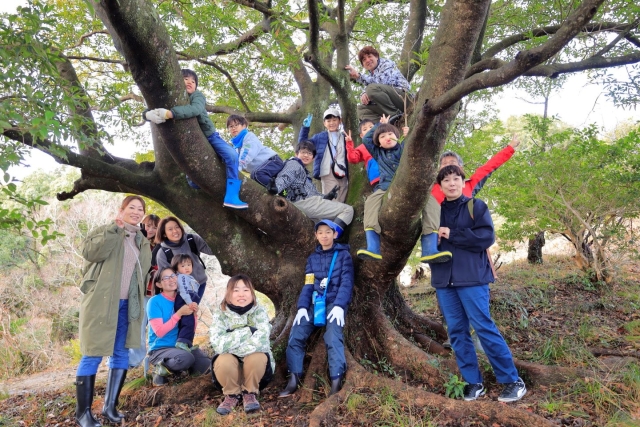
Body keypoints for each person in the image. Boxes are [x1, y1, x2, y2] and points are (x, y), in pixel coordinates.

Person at [432, 164, 526, 403]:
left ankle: (512, 380)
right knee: (456, 332)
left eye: (456, 179)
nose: (452, 183)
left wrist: (452, 233)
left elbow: (486, 237)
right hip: (444, 281)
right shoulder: (434, 211)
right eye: (446, 180)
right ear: (440, 185)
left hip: (472, 278)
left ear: (463, 182)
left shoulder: (476, 206)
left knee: (483, 327)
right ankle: (473, 382)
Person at [74, 195, 151, 427]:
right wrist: (113, 230)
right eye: (132, 208)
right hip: (102, 304)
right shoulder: (106, 230)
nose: (136, 212)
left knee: (121, 354)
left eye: (140, 209)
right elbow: (90, 253)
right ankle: (83, 414)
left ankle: (110, 407)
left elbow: (142, 273)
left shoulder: (142, 240)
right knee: (93, 353)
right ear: (122, 210)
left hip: (129, 306)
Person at [143, 69, 248, 209]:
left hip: (210, 136)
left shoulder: (197, 96)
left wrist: (170, 113)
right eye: (186, 79)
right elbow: (151, 107)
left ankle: (232, 196)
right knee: (192, 181)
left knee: (232, 155)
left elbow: (196, 109)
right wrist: (147, 115)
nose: (190, 83)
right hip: (184, 145)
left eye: (193, 81)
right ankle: (193, 181)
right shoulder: (167, 97)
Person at [279, 219, 354, 398]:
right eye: (320, 232)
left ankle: (336, 380)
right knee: (296, 334)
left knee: (333, 336)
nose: (324, 235)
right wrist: (303, 307)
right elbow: (308, 284)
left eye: (328, 232)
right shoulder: (312, 259)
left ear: (335, 234)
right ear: (316, 235)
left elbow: (347, 282)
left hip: (334, 304)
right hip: (315, 304)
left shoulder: (344, 255)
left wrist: (339, 306)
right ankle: (294, 379)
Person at [357, 122, 449, 263]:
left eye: (390, 134)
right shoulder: (378, 153)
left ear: (397, 137)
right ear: (379, 143)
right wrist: (379, 125)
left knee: (432, 204)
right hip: (385, 188)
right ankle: (373, 246)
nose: (387, 137)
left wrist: (410, 135)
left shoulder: (403, 149)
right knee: (370, 202)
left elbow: (414, 145)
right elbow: (366, 140)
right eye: (382, 136)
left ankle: (430, 248)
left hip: (411, 187)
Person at [209, 275, 275, 415]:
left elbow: (262, 342)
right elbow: (219, 345)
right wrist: (249, 331)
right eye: (236, 290)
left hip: (255, 371)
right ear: (228, 293)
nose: (241, 294)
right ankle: (231, 395)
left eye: (246, 290)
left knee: (257, 356)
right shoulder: (220, 314)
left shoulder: (260, 311)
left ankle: (249, 394)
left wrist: (232, 340)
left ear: (252, 293)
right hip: (228, 370)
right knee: (224, 359)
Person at [267, 141, 354, 237]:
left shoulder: (304, 172)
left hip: (305, 205)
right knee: (347, 210)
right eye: (303, 152)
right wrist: (276, 187)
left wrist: (327, 196)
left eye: (309, 153)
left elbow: (312, 193)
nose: (306, 155)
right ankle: (333, 237)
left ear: (313, 158)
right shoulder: (294, 164)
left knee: (324, 226)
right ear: (296, 154)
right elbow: (286, 177)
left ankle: (326, 243)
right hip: (305, 203)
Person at [147, 268, 211, 386]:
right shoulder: (154, 301)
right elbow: (159, 332)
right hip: (160, 349)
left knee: (208, 367)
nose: (171, 279)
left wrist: (194, 315)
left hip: (182, 347)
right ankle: (159, 369)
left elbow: (190, 328)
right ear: (159, 284)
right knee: (187, 358)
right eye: (166, 278)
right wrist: (179, 314)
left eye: (173, 276)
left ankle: (180, 370)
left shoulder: (183, 298)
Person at [155, 216, 213, 305]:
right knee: (182, 314)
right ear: (164, 234)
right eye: (170, 229)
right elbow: (164, 277)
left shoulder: (192, 239)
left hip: (199, 284)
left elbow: (211, 250)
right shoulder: (163, 253)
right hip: (179, 291)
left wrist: (212, 236)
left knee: (191, 311)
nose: (175, 231)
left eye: (177, 227)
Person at [345, 46, 411, 123]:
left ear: (376, 57)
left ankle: (396, 115)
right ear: (363, 65)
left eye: (369, 56)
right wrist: (363, 94)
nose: (368, 60)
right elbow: (370, 86)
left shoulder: (386, 64)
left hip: (403, 98)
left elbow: (382, 81)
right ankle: (387, 122)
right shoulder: (370, 76)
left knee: (371, 89)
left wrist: (359, 76)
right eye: (364, 59)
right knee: (359, 110)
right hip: (389, 107)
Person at [128, 213, 161, 369]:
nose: (151, 230)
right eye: (148, 226)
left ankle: (156, 358)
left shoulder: (160, 245)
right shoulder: (135, 240)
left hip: (154, 292)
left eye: (155, 227)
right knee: (137, 325)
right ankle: (133, 360)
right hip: (137, 290)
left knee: (154, 326)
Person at [298, 108, 349, 203]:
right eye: (328, 121)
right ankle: (329, 218)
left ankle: (339, 217)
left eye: (334, 120)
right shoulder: (319, 137)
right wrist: (305, 128)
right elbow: (303, 145)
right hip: (327, 171)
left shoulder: (344, 136)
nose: (331, 123)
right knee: (332, 201)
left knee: (342, 200)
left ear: (340, 121)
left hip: (342, 172)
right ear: (324, 123)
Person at [227, 114, 285, 187]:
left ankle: (278, 189)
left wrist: (238, 166)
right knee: (256, 177)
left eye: (236, 125)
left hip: (272, 161)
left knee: (257, 174)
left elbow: (246, 153)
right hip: (262, 169)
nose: (233, 128)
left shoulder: (249, 137)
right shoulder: (236, 147)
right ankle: (277, 190)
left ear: (244, 126)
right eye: (231, 126)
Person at [171, 253, 201, 352]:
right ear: (176, 268)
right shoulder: (182, 277)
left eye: (189, 264)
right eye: (183, 266)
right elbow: (184, 291)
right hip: (184, 300)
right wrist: (189, 302)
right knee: (187, 322)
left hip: (190, 300)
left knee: (191, 322)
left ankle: (188, 343)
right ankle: (181, 342)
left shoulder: (190, 277)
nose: (187, 267)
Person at [344, 119, 380, 187]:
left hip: (390, 172)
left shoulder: (383, 140)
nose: (369, 130)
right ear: (361, 136)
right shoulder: (362, 147)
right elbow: (353, 159)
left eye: (371, 127)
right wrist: (349, 143)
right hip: (376, 177)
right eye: (365, 129)